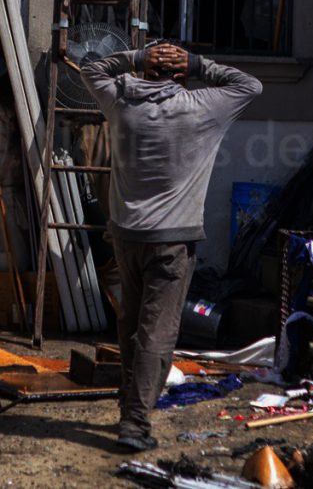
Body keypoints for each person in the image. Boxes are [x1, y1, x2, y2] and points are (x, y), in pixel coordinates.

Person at [81, 42, 262, 451]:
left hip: (127, 235)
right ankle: (135, 422)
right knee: (157, 333)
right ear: (181, 75)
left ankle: (129, 404)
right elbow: (250, 85)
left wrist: (135, 58)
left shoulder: (122, 105)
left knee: (131, 324)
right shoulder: (202, 108)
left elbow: (91, 70)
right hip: (172, 241)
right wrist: (198, 63)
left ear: (146, 71)